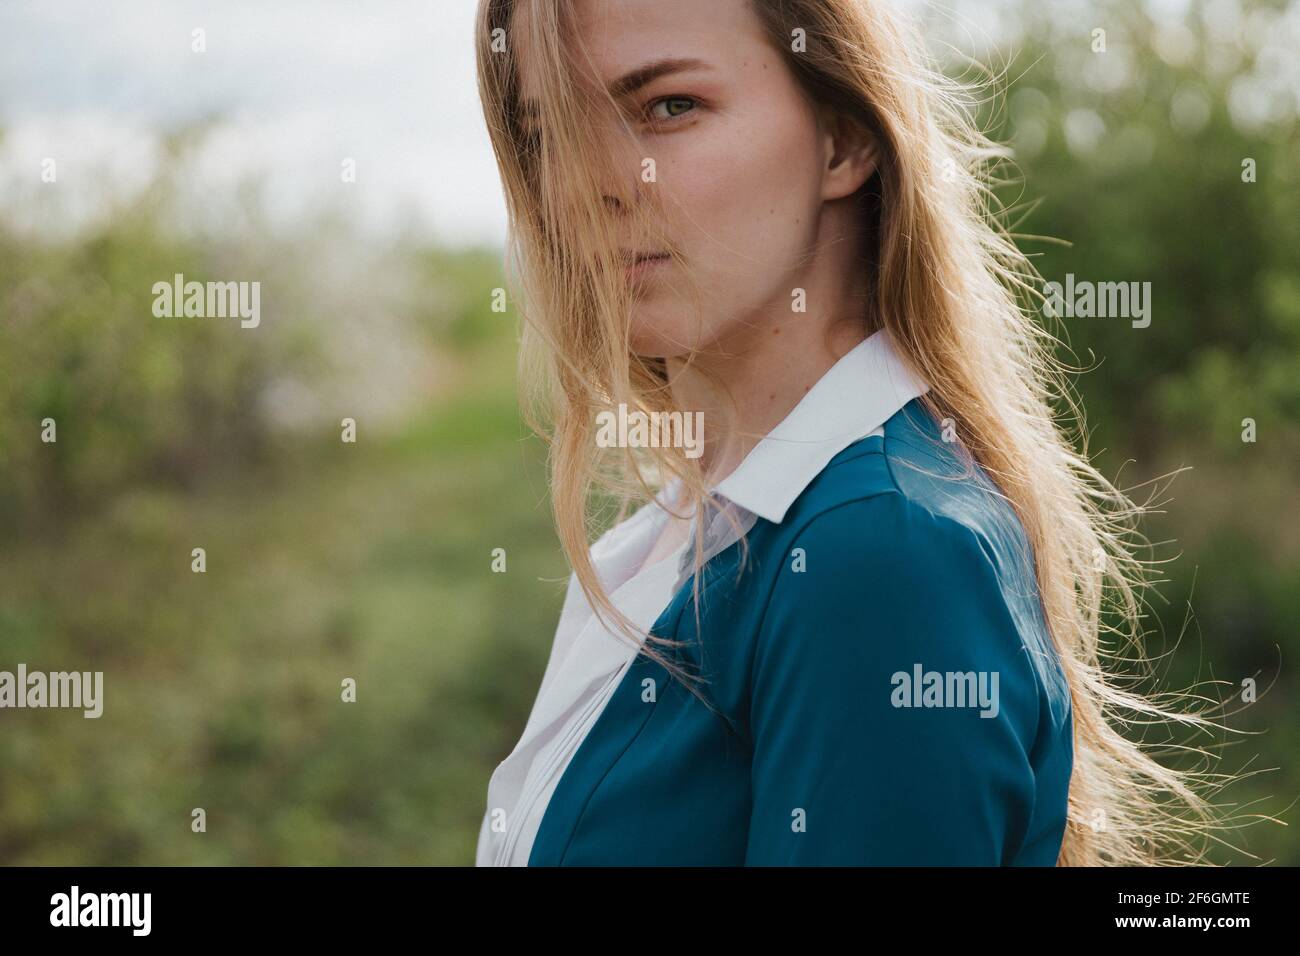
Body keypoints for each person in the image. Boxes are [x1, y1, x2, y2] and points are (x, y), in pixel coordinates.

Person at [472, 0, 1219, 865]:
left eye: (667, 107)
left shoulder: (881, 551)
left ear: (843, 140)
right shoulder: (679, 532)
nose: (583, 184)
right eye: (547, 132)